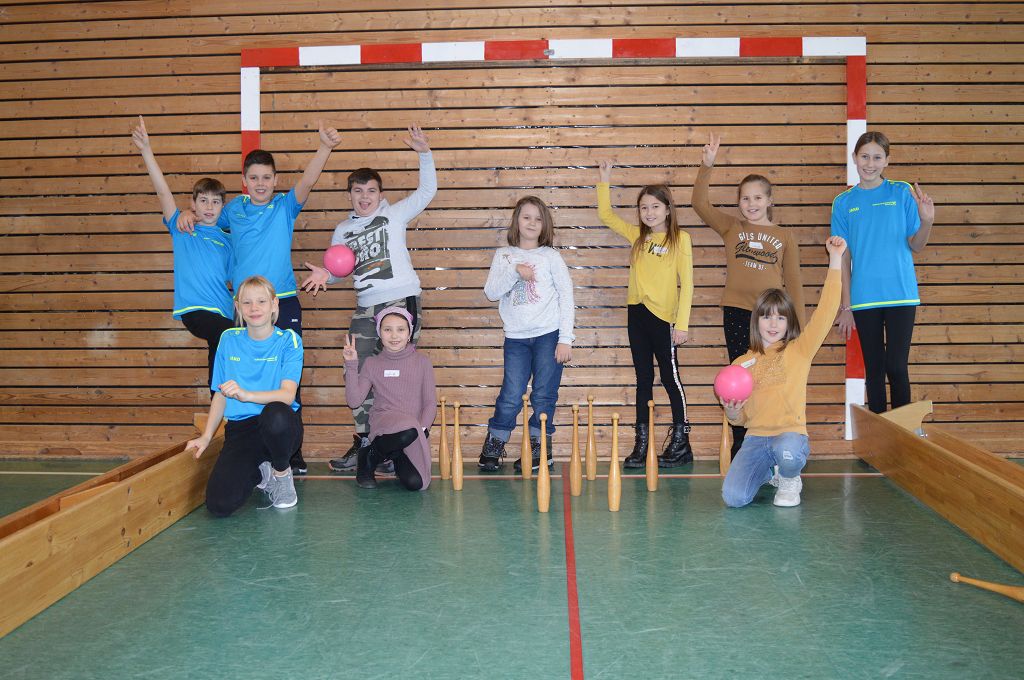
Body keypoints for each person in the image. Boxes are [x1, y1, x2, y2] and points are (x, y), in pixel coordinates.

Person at [179, 121, 342, 475]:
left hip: (282, 301)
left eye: (267, 177)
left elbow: (308, 181)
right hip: (246, 308)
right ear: (244, 181)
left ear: (275, 179)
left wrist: (324, 148)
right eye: (254, 178)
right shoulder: (233, 209)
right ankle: (240, 443)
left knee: (288, 379)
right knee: (240, 372)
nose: (261, 183)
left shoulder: (284, 207)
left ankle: (291, 452)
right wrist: (188, 214)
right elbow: (207, 215)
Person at [300, 125, 437, 472]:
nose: (365, 197)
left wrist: (424, 153)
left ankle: (399, 445)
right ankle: (367, 443)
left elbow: (427, 191)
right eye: (358, 191)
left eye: (371, 191)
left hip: (401, 301)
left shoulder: (394, 214)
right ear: (350, 195)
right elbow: (339, 268)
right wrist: (326, 275)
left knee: (400, 374)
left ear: (380, 194)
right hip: (366, 306)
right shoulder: (343, 230)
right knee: (357, 369)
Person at [692, 132, 805, 458]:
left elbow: (794, 283)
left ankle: (773, 441)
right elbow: (699, 204)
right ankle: (743, 444)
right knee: (740, 377)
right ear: (739, 203)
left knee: (770, 379)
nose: (751, 204)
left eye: (757, 198)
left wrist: (800, 330)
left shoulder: (785, 236)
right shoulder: (732, 227)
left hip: (773, 320)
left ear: (770, 201)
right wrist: (707, 166)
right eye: (745, 199)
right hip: (738, 312)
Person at [720, 236, 847, 508]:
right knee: (734, 498)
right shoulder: (741, 363)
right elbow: (740, 419)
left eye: (780, 317)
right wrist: (731, 411)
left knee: (787, 450)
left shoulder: (800, 350)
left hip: (789, 435)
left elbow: (826, 311)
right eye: (766, 316)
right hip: (755, 440)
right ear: (756, 321)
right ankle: (770, 472)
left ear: (789, 322)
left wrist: (836, 259)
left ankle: (789, 477)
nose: (773, 324)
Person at [596, 160, 695, 468]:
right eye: (643, 208)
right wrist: (604, 181)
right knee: (644, 379)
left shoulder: (680, 239)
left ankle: (681, 442)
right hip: (637, 315)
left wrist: (682, 324)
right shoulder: (638, 238)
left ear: (667, 209)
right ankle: (642, 444)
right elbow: (606, 215)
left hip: (664, 319)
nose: (649, 212)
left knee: (670, 378)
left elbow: (688, 283)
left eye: (655, 206)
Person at [831, 131, 935, 413]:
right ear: (854, 158)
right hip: (864, 299)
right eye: (864, 156)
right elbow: (843, 258)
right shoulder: (843, 202)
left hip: (901, 294)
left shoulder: (902, 192)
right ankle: (879, 436)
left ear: (887, 160)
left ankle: (903, 432)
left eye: (877, 157)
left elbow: (916, 245)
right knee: (875, 371)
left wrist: (927, 221)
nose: (870, 163)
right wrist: (846, 306)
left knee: (897, 367)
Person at [131, 115, 234, 392]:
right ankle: (217, 399)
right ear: (193, 203)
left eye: (215, 202)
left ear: (222, 207)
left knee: (228, 347)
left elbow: (238, 277)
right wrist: (146, 151)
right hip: (195, 311)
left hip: (225, 312)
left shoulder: (228, 241)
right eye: (203, 201)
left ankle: (225, 405)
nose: (209, 207)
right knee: (225, 335)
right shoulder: (183, 228)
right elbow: (163, 193)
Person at [187, 276, 304, 516]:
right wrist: (206, 437)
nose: (254, 308)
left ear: (274, 304)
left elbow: (287, 395)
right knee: (219, 504)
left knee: (276, 414)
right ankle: (262, 472)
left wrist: (246, 394)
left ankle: (281, 473)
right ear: (238, 307)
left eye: (261, 301)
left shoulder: (289, 340)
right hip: (241, 430)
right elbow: (220, 394)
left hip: (280, 427)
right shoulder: (228, 339)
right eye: (247, 302)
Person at [478, 196, 575, 473]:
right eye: (526, 217)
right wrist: (514, 272)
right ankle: (494, 444)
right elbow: (491, 292)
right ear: (517, 221)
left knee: (544, 395)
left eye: (538, 219)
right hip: (516, 339)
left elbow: (566, 296)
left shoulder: (551, 257)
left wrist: (565, 339)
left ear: (545, 225)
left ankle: (540, 449)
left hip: (548, 336)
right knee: (511, 394)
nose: (532, 223)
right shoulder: (504, 255)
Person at [343, 307, 436, 490]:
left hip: (411, 431)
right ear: (380, 333)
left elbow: (430, 403)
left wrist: (422, 429)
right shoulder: (372, 363)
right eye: (387, 329)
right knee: (408, 429)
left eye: (400, 329)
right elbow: (354, 401)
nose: (394, 335)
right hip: (384, 422)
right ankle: (369, 457)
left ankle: (390, 454)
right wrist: (352, 364)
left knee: (417, 484)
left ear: (409, 333)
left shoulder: (423, 362)